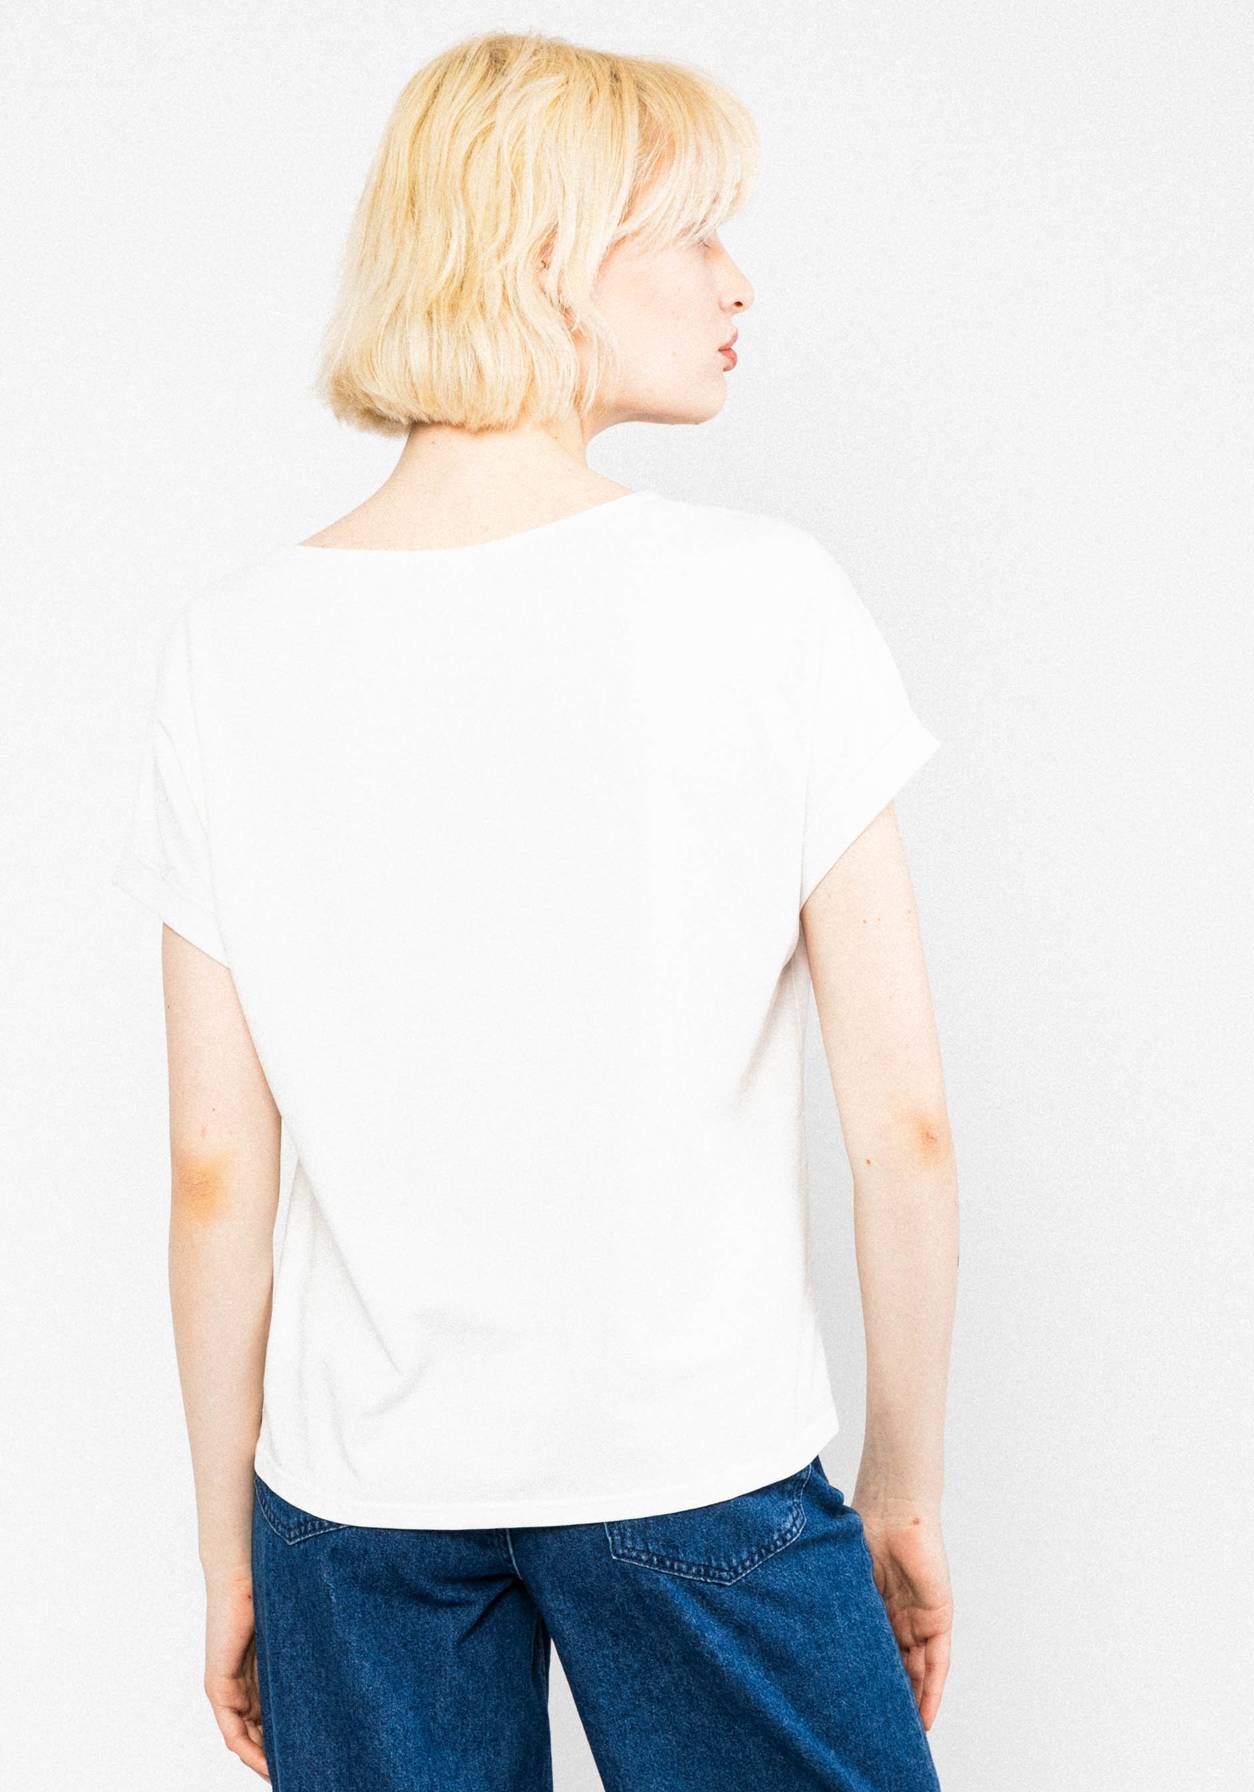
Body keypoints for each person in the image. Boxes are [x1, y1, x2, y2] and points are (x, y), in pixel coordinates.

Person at [113, 29, 957, 1791]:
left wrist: (226, 1552)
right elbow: (904, 1125)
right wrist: (902, 1487)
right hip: (692, 1461)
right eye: (696, 232)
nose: (739, 281)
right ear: (551, 254)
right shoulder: (768, 603)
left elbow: (214, 1170)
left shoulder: (228, 651)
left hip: (355, 1506)